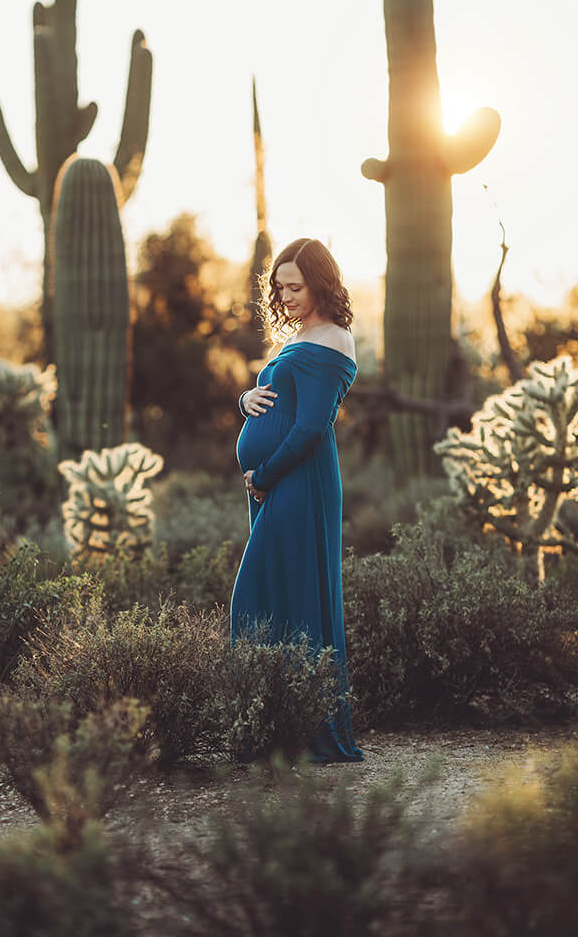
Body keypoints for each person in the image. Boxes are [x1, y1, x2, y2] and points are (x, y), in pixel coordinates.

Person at [230, 237, 364, 764]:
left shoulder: (334, 339)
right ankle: (272, 730)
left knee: (272, 594)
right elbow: (272, 400)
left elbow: (311, 425)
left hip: (299, 479)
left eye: (295, 286)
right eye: (279, 287)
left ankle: (307, 728)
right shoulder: (302, 335)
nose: (284, 296)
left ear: (321, 283)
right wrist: (245, 400)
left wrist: (263, 471)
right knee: (273, 594)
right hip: (277, 480)